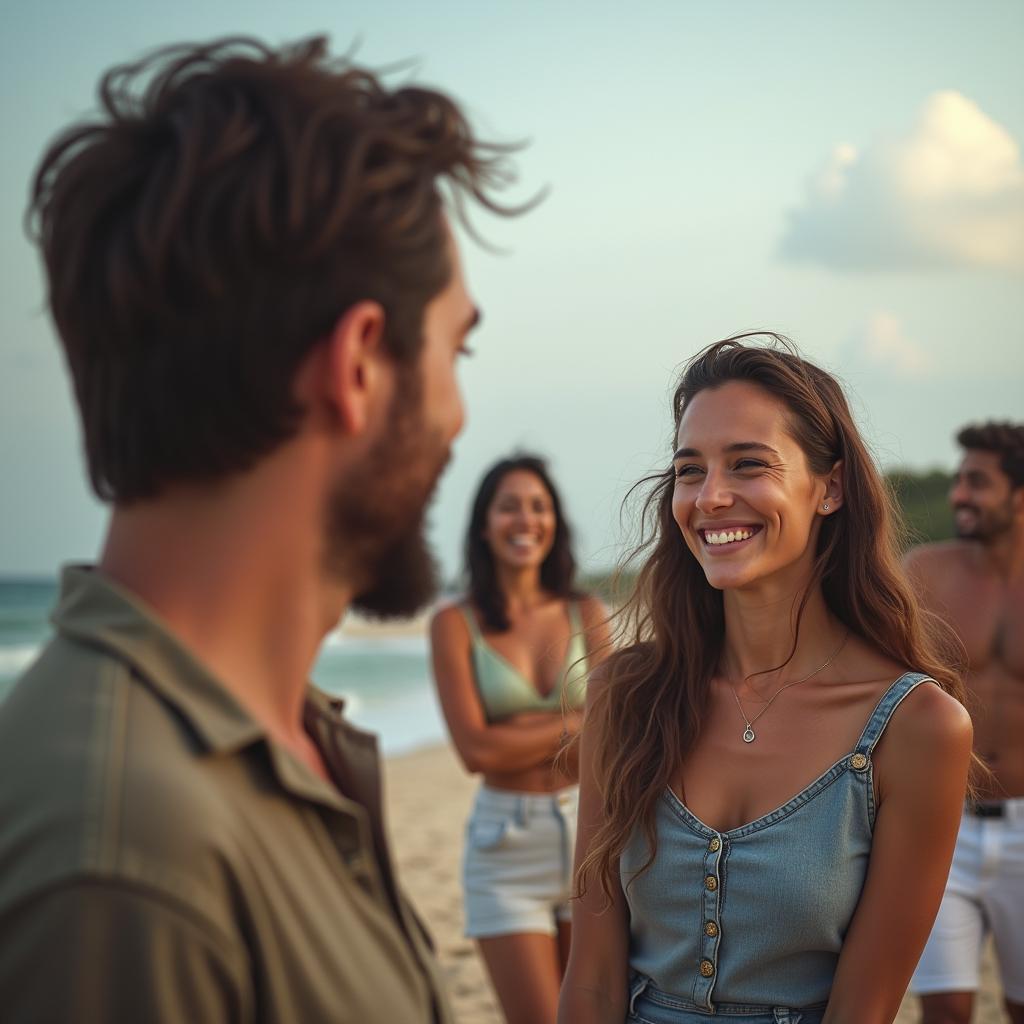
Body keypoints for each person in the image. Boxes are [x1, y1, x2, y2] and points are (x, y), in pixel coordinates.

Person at [0, 36, 525, 1022]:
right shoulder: (125, 864)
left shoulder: (287, 748)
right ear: (359, 363)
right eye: (456, 349)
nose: (458, 415)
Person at [559, 335, 976, 1024]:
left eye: (748, 464)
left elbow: (862, 1009)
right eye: (689, 471)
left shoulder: (917, 728)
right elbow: (593, 981)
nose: (711, 497)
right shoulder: (626, 695)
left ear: (831, 487)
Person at [430, 454, 610, 1024]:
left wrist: (519, 730)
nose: (525, 519)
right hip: (504, 851)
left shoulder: (586, 611)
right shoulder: (454, 624)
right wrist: (576, 719)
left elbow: (614, 729)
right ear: (485, 524)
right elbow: (475, 751)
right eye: (508, 506)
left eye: (538, 506)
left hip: (594, 835)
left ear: (554, 521)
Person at [907, 422, 1024, 1024]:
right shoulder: (924, 572)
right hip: (944, 823)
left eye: (977, 482)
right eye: (958, 481)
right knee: (945, 1011)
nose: (959, 496)